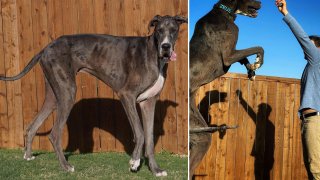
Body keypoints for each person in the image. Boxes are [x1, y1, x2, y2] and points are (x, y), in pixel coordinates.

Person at [276, 0, 320, 179]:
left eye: (309, 45)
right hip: (308, 121)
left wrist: (286, 14)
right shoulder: (311, 67)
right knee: (312, 168)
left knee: (316, 170)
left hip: (315, 122)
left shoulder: (316, 59)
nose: (305, 47)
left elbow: (301, 37)